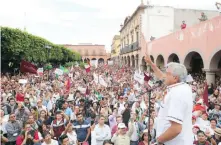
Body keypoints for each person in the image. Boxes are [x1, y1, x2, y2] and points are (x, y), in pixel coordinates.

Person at [145, 54, 193, 145]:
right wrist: (151, 63)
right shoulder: (182, 87)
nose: (165, 75)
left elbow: (176, 129)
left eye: (167, 73)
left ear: (175, 78)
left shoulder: (177, 93)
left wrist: (159, 141)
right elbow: (162, 76)